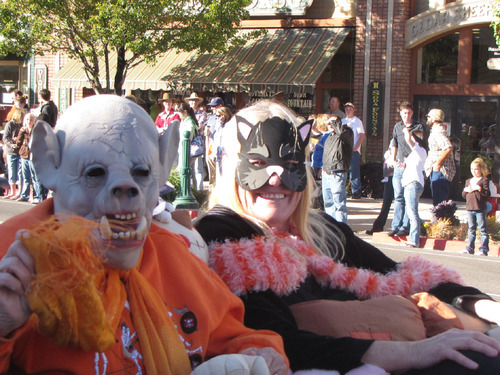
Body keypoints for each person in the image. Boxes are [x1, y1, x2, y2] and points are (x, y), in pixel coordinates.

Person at [195, 99, 500, 375]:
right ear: (231, 167)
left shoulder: (323, 230)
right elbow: (272, 335)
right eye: (259, 164)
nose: (275, 179)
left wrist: (482, 305)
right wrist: (409, 353)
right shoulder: (221, 235)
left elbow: (399, 273)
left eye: (290, 164)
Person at [0, 95, 288, 374]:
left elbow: (236, 336)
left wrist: (259, 355)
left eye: (141, 172)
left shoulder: (173, 257)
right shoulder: (11, 260)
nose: (125, 188)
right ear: (49, 166)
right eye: (95, 173)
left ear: (163, 167)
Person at [388, 101, 425, 237]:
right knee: (398, 196)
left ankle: (405, 226)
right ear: (400, 113)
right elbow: (394, 143)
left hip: (411, 166)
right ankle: (395, 226)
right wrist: (393, 159)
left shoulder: (418, 127)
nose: (406, 115)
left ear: (412, 113)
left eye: (409, 113)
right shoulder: (397, 127)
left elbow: (419, 146)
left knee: (408, 197)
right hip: (399, 165)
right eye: (404, 113)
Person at [311, 115, 353, 223]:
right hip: (326, 173)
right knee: (328, 204)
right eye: (328, 123)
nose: (329, 125)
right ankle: (332, 228)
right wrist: (322, 168)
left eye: (332, 122)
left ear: (338, 123)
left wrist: (336, 123)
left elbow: (342, 133)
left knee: (339, 204)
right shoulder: (328, 137)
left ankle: (342, 228)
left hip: (337, 173)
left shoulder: (346, 134)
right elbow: (326, 154)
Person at [401, 127, 427, 248]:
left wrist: (406, 132)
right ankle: (422, 230)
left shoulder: (420, 150)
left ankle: (414, 239)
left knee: (412, 212)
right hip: (410, 183)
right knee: (411, 211)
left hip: (413, 183)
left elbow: (409, 141)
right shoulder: (416, 153)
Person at [424, 108, 456, 207]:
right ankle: (440, 218)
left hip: (441, 170)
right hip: (438, 169)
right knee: (438, 199)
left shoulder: (438, 132)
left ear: (434, 118)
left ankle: (441, 219)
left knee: (439, 201)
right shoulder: (436, 130)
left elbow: (448, 147)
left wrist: (437, 163)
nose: (427, 118)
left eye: (429, 116)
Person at [462, 157, 491, 256]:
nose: (474, 171)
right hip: (470, 207)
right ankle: (470, 248)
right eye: (472, 169)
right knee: (471, 228)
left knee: (482, 228)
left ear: (481, 169)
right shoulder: (469, 181)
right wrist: (466, 190)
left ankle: (484, 249)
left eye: (476, 169)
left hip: (479, 208)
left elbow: (487, 194)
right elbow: (464, 195)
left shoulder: (484, 180)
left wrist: (480, 189)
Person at [366, 144, 395, 235]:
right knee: (386, 203)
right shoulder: (394, 140)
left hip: (399, 175)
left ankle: (400, 226)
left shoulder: (404, 139)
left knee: (401, 203)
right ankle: (378, 226)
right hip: (389, 176)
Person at [15, 113, 42, 203]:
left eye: (30, 119)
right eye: (27, 119)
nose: (28, 121)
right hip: (24, 155)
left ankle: (37, 196)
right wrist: (22, 132)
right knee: (25, 176)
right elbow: (18, 142)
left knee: (34, 177)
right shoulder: (23, 130)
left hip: (33, 156)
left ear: (34, 120)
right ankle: (24, 195)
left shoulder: (36, 130)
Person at [342, 102, 365, 199]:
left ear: (353, 109)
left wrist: (355, 147)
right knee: (343, 171)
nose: (348, 110)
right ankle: (342, 190)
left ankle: (356, 191)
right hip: (343, 150)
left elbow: (362, 135)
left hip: (353, 151)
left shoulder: (357, 121)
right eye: (346, 108)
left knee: (354, 171)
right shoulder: (342, 121)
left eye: (350, 108)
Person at [2, 108, 25, 199]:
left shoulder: (23, 125)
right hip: (11, 151)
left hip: (20, 152)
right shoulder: (10, 124)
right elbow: (5, 138)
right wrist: (12, 144)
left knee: (20, 172)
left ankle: (19, 192)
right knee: (12, 171)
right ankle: (12, 191)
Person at [187, 92, 207, 191]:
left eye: (195, 100)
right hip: (187, 145)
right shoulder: (186, 113)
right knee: (187, 169)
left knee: (198, 169)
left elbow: (199, 127)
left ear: (198, 102)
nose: (193, 102)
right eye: (191, 100)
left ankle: (199, 191)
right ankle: (190, 190)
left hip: (197, 145)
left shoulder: (202, 114)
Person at [205, 97, 225, 185]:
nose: (212, 108)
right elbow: (207, 134)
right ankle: (211, 192)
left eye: (214, 106)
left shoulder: (227, 118)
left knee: (221, 173)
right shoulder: (211, 118)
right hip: (211, 146)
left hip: (222, 149)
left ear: (220, 106)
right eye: (211, 106)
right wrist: (207, 150)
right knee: (212, 174)